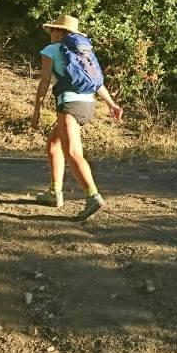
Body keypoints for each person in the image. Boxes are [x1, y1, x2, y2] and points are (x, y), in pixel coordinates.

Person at [30, 14, 122, 220]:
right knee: (53, 143)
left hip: (69, 105)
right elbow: (97, 82)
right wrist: (111, 104)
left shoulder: (51, 50)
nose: (50, 33)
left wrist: (36, 110)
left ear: (60, 32)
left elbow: (44, 82)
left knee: (72, 151)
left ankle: (92, 197)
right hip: (88, 106)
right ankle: (54, 193)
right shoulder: (84, 52)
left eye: (52, 29)